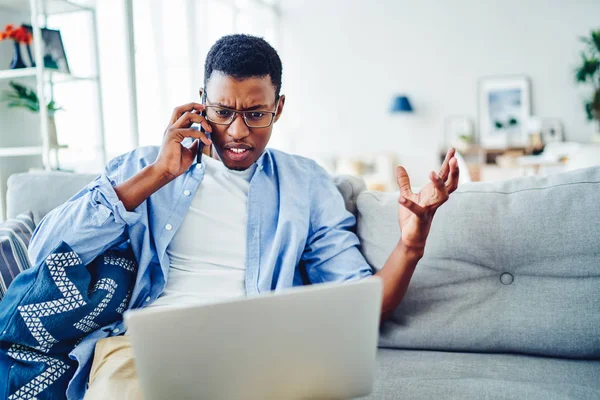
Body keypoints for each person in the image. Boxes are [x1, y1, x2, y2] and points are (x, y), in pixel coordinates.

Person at [27, 34, 459, 399]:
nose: (237, 131)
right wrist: (158, 174)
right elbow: (46, 251)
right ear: (201, 104)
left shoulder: (306, 185)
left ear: (279, 107)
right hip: (142, 351)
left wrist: (411, 244)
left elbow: (361, 302)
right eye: (223, 112)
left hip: (260, 355)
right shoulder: (142, 167)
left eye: (256, 114)